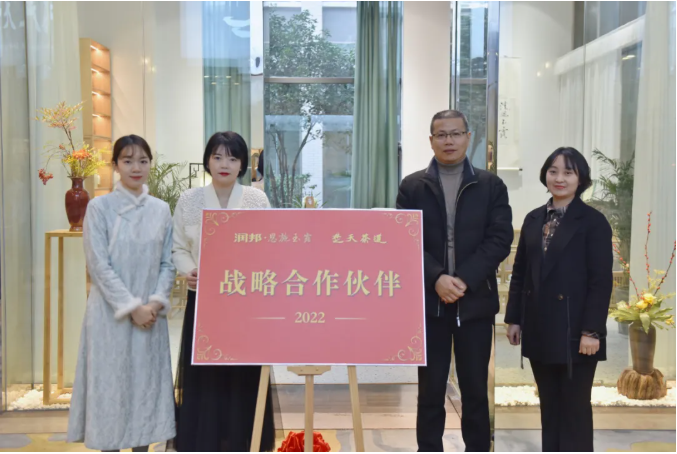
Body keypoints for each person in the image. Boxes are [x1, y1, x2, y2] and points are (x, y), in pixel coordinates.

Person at [396, 110, 513, 452]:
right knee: (430, 391)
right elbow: (404, 240)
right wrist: (436, 278)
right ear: (431, 140)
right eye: (441, 134)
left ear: (468, 137)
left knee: (475, 390)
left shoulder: (490, 185)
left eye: (456, 133)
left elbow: (500, 238)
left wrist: (462, 279)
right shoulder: (412, 186)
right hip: (428, 305)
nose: (449, 140)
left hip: (474, 302)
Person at [67, 135, 176, 451]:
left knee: (145, 388)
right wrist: (132, 307)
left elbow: (167, 263)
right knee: (111, 390)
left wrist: (153, 303)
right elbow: (98, 265)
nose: (136, 167)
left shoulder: (160, 209)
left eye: (143, 160)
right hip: (109, 317)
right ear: (115, 165)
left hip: (150, 318)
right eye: (128, 161)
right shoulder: (99, 208)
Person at [171, 131, 276, 452]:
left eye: (232, 158)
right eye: (217, 157)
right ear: (207, 161)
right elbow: (178, 247)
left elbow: (269, 248)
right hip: (204, 301)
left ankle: (243, 440)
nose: (224, 164)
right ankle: (205, 440)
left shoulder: (257, 200)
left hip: (245, 304)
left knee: (242, 372)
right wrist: (189, 270)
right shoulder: (189, 200)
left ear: (243, 164)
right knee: (207, 373)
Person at [505, 147, 612, 452]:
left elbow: (600, 282)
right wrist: (514, 319)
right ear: (545, 175)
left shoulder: (593, 221)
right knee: (549, 407)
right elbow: (520, 272)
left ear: (581, 179)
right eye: (553, 171)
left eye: (568, 172)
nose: (559, 178)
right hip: (540, 327)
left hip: (576, 331)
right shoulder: (533, 218)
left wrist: (592, 331)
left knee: (575, 409)